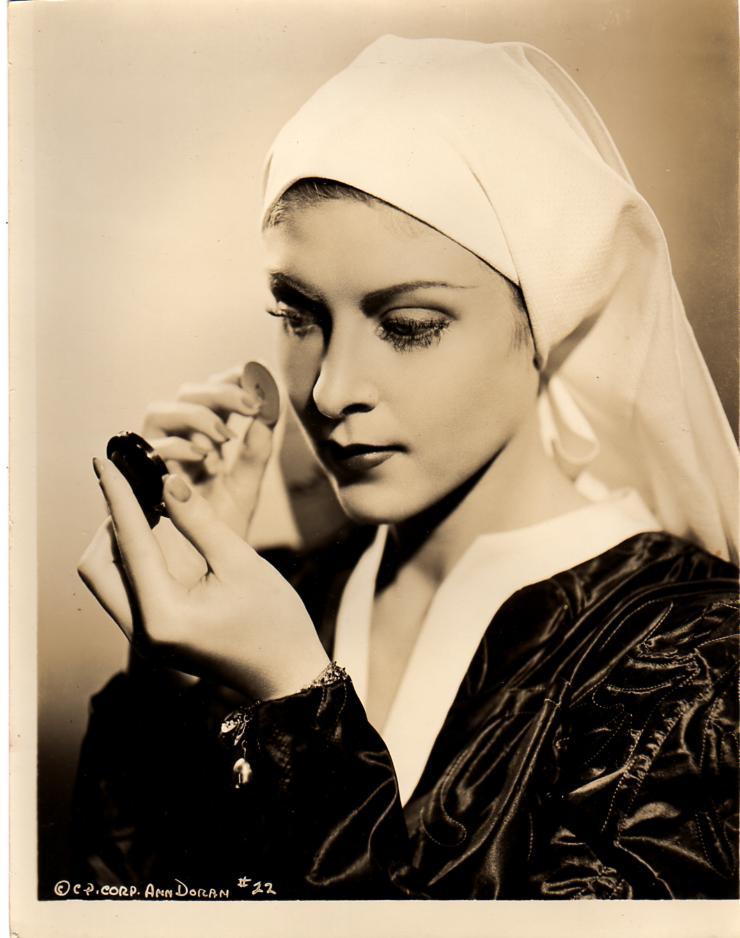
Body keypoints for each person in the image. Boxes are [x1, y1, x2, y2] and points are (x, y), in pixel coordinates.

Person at [71, 37, 738, 899]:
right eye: (299, 315)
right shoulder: (273, 604)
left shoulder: (693, 662)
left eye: (408, 325)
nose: (330, 390)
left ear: (548, 317)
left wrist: (293, 700)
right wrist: (174, 686)